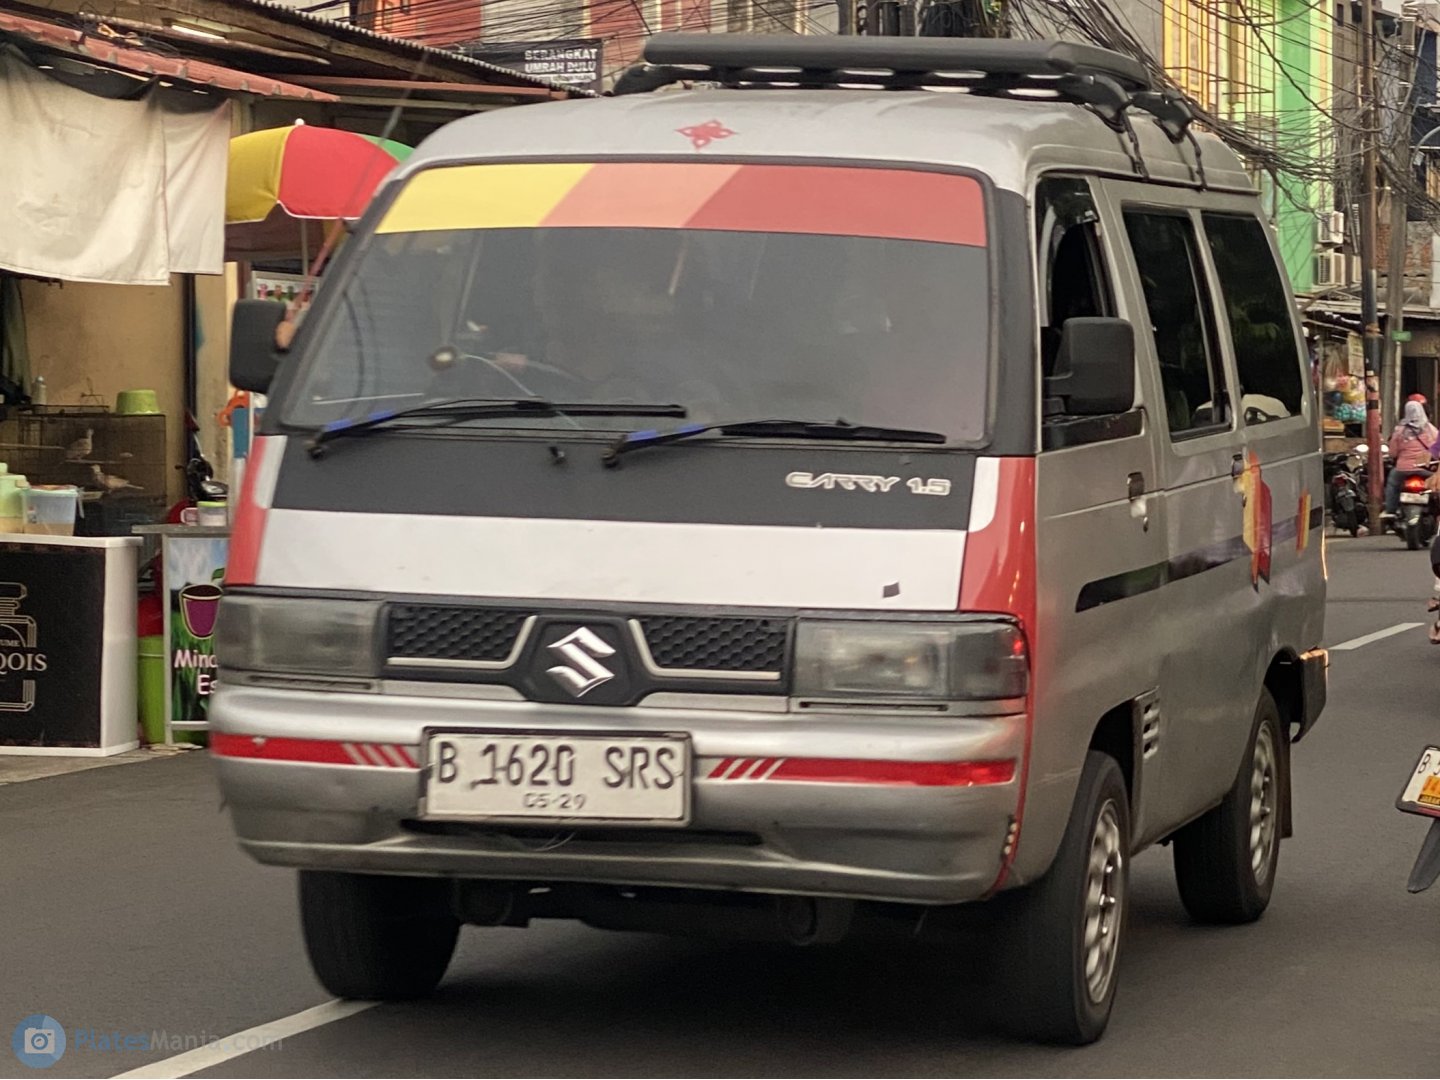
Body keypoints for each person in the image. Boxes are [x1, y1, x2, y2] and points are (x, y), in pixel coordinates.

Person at [1384, 399, 1440, 519]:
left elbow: (1393, 453)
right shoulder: (1430, 429)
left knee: (1393, 483)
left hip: (1403, 469)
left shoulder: (1400, 430)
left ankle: (1391, 510)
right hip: (1426, 468)